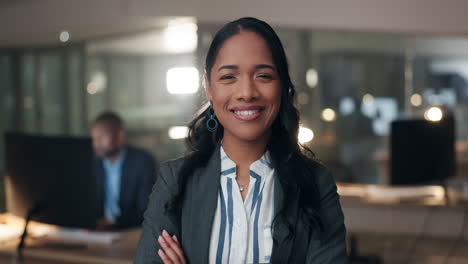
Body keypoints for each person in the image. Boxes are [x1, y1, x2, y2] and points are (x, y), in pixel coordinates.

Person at [135, 17, 347, 263]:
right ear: (209, 86)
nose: (247, 92)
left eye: (263, 75)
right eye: (228, 77)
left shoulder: (316, 184)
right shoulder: (175, 180)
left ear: (282, 85)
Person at [90, 111, 157, 230]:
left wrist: (114, 223)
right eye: (94, 138)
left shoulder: (142, 162)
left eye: (101, 137)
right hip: (97, 232)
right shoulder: (94, 164)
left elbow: (146, 209)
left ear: (120, 135)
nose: (96, 143)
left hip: (130, 231)